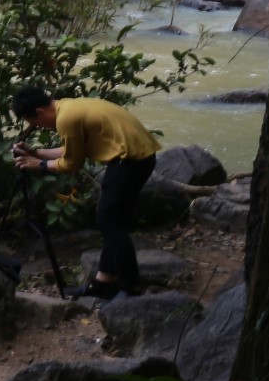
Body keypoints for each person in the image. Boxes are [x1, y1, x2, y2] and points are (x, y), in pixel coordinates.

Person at [10, 86, 161, 299]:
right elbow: (72, 150)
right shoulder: (68, 107)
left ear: (40, 112)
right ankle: (104, 282)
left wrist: (39, 165)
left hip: (130, 161)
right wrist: (35, 153)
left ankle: (130, 285)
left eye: (34, 123)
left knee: (109, 222)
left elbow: (71, 163)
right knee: (111, 221)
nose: (38, 127)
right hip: (136, 157)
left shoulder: (66, 119)